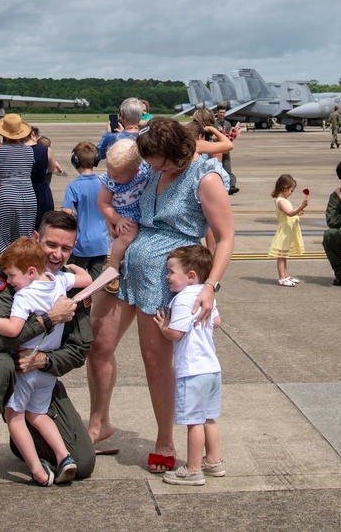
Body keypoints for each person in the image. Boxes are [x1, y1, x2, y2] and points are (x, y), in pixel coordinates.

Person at [86, 117, 233, 473]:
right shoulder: (152, 162)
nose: (154, 169)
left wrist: (210, 287)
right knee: (98, 345)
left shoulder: (206, 178)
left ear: (181, 153)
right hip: (126, 267)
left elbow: (226, 237)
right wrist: (113, 220)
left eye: (162, 163)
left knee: (155, 362)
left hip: (166, 278)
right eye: (152, 162)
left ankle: (165, 440)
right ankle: (98, 423)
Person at [0, 211, 95, 506]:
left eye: (66, 248)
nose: (57, 255)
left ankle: (26, 445)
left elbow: (80, 347)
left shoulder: (66, 284)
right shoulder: (7, 278)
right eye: (51, 244)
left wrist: (44, 362)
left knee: (82, 463)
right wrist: (47, 320)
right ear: (35, 239)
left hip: (38, 372)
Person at [153, 245, 223, 486]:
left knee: (194, 421)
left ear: (190, 275)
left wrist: (163, 326)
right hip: (212, 368)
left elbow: (175, 333)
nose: (167, 277)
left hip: (192, 370)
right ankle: (214, 461)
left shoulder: (181, 299)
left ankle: (193, 469)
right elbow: (217, 321)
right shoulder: (206, 294)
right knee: (208, 418)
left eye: (171, 272)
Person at [97, 138, 150, 293]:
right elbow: (103, 204)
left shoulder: (143, 171)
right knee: (129, 233)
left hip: (141, 211)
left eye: (117, 175)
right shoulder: (110, 182)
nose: (112, 176)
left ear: (135, 171)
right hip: (123, 215)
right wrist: (116, 219)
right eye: (109, 171)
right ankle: (112, 267)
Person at [0, 114, 37, 257]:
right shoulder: (29, 151)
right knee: (24, 241)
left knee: (2, 240)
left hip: (7, 197)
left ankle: (5, 273)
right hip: (28, 197)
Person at [61, 142, 109, 280]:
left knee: (75, 283)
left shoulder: (74, 186)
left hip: (80, 245)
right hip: (101, 243)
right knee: (98, 284)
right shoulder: (104, 183)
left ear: (75, 161)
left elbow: (66, 214)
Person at [268, 174, 308, 287]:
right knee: (281, 255)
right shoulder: (280, 201)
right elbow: (289, 213)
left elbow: (290, 213)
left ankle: (285, 275)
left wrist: (298, 212)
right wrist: (301, 206)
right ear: (284, 187)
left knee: (284, 254)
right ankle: (282, 277)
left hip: (288, 230)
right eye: (291, 190)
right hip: (284, 231)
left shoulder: (284, 200)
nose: (291, 192)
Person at [26, 126, 57, 231]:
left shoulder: (17, 150)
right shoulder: (46, 150)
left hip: (24, 190)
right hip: (41, 191)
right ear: (33, 134)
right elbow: (51, 169)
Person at [215, 105, 240, 195]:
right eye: (220, 112)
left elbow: (230, 135)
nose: (222, 114)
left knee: (227, 167)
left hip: (225, 149)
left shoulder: (228, 124)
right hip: (216, 149)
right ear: (217, 112)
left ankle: (232, 186)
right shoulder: (214, 124)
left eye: (223, 113)